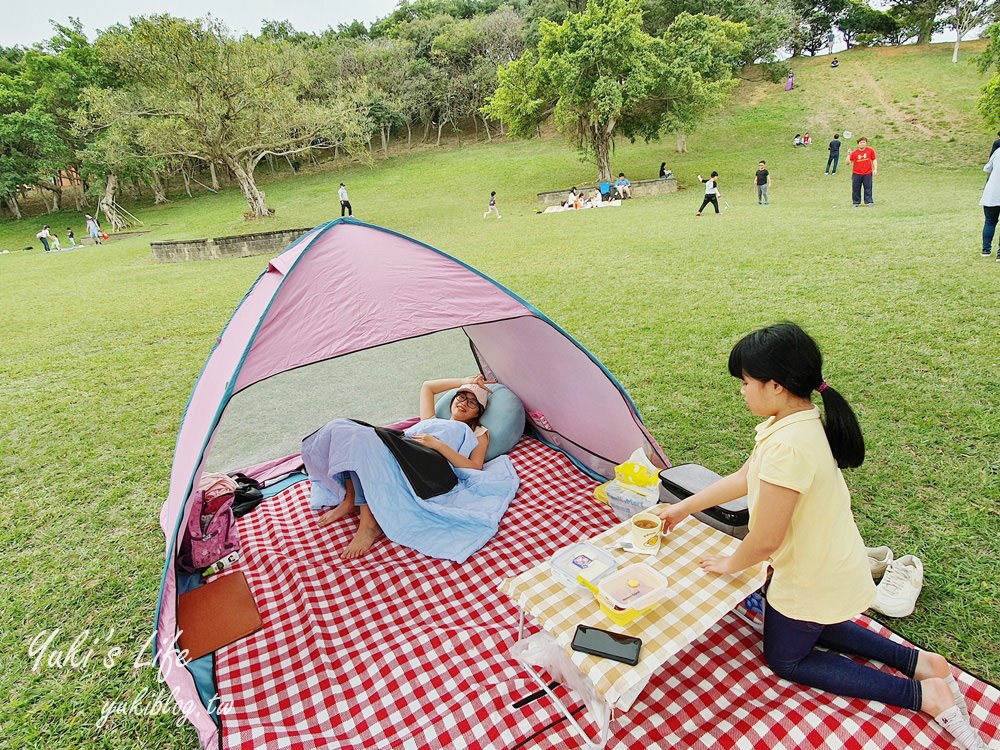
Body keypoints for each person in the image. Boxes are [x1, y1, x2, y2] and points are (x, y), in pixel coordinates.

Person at [654, 322, 989, 750]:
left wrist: (731, 563)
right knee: (808, 624)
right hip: (830, 558)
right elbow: (745, 477)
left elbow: (766, 540)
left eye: (746, 382)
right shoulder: (796, 421)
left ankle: (922, 693)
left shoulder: (788, 446)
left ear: (775, 385)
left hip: (810, 572)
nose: (742, 391)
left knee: (785, 657)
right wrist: (682, 508)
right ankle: (918, 661)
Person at [312, 375, 496, 559]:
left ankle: (369, 524)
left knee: (360, 438)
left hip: (428, 463)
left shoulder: (477, 432)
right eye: (461, 396)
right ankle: (351, 499)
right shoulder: (430, 419)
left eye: (473, 403)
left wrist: (438, 445)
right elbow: (427, 387)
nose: (464, 403)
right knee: (342, 428)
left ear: (477, 413)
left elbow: (475, 467)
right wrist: (465, 381)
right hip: (403, 447)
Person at [980, 147, 1000, 259]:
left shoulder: (998, 151)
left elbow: (987, 169)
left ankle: (986, 250)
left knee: (990, 222)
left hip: (992, 194)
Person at [849, 136, 878, 207]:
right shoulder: (855, 153)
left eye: (864, 142)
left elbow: (874, 159)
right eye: (861, 142)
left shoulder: (870, 150)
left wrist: (875, 169)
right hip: (856, 173)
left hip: (867, 173)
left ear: (866, 143)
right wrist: (849, 155)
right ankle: (856, 203)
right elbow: (847, 163)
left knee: (868, 187)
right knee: (856, 188)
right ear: (858, 144)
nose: (862, 144)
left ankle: (869, 202)